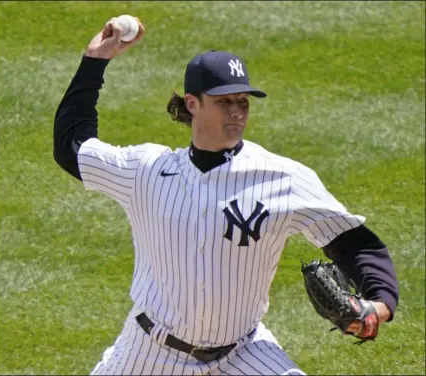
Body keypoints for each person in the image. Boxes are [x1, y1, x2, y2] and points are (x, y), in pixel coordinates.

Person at [53, 18, 399, 376]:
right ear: (192, 103)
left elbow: (352, 242)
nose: (237, 111)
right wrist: (95, 60)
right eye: (224, 101)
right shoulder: (145, 170)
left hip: (242, 354)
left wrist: (380, 304)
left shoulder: (283, 177)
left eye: (243, 101)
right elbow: (72, 148)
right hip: (147, 352)